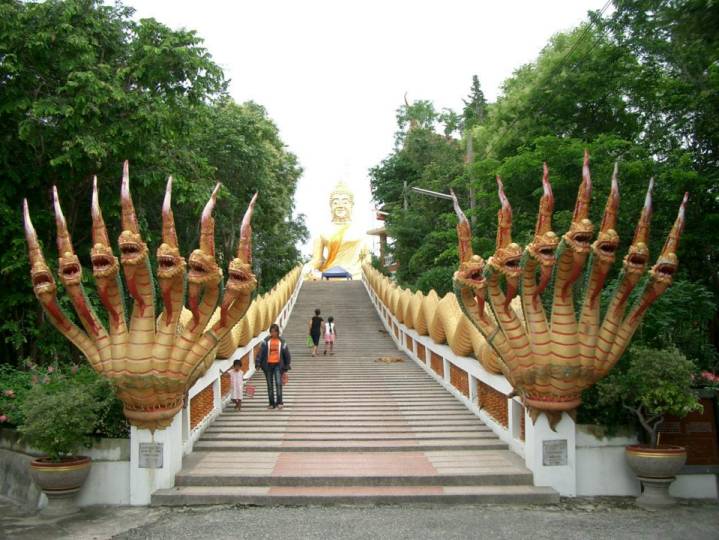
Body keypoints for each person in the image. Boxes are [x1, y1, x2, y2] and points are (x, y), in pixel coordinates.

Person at [256, 323, 291, 410]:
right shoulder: (265, 341)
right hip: (268, 365)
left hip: (278, 365)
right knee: (269, 385)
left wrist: (286, 366)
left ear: (278, 332)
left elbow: (287, 354)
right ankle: (271, 403)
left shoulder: (282, 342)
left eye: (275, 331)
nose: (273, 333)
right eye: (271, 332)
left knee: (278, 383)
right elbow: (260, 353)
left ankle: (279, 402)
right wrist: (257, 363)